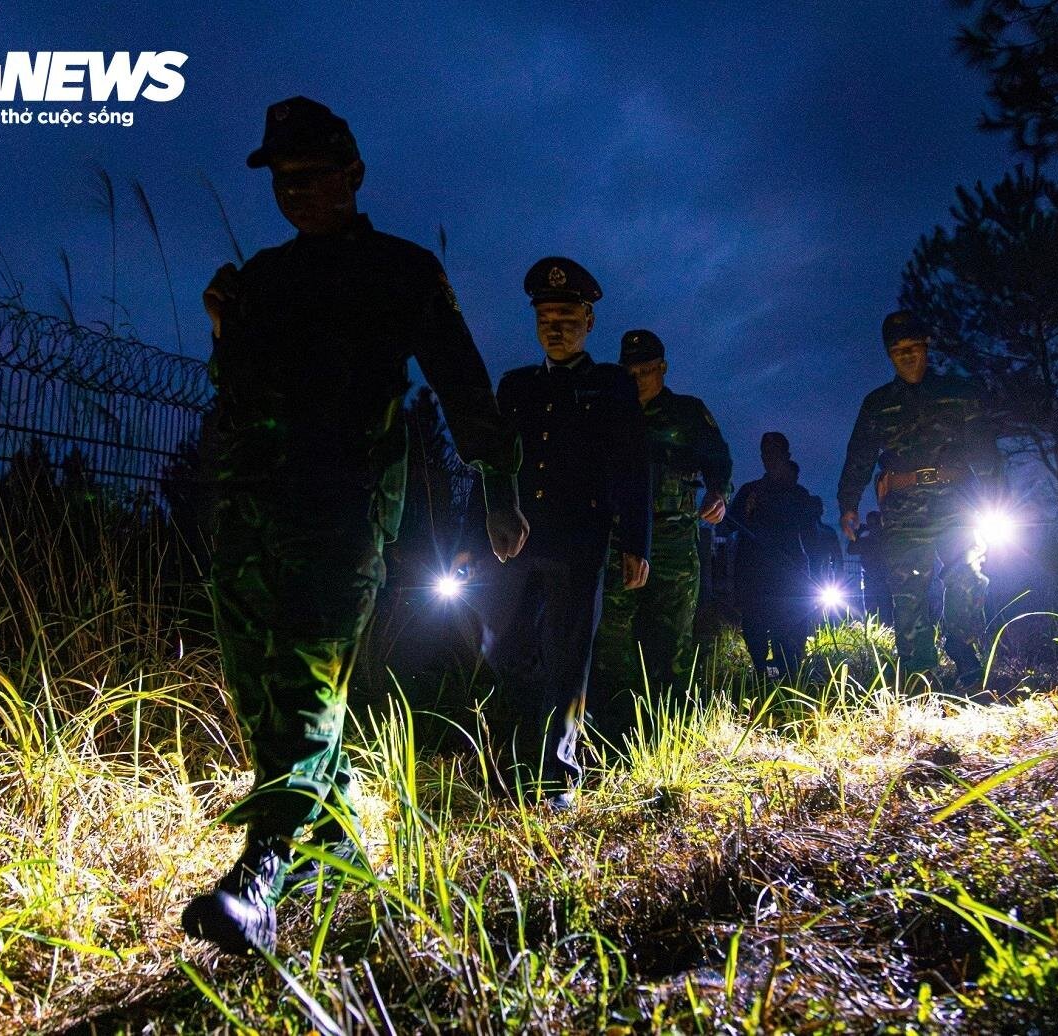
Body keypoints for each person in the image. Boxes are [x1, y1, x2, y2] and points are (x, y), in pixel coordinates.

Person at [182, 96, 527, 956]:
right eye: (281, 180)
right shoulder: (259, 277)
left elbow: (459, 377)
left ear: (353, 174)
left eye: (311, 175)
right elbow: (240, 392)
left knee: (304, 680)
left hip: (342, 505)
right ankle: (332, 855)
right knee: (260, 684)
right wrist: (226, 331)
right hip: (252, 503)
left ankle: (260, 872)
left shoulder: (400, 270)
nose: (296, 192)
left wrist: (499, 483)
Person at [477, 258, 651, 808]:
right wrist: (471, 533)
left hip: (580, 540)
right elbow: (494, 466)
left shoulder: (611, 385)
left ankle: (557, 775)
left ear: (589, 321)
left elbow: (632, 464)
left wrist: (635, 543)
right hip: (516, 542)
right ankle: (519, 748)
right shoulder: (517, 386)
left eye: (567, 316)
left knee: (568, 654)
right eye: (546, 317)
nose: (555, 327)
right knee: (502, 646)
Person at [836, 310, 1001, 688]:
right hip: (903, 511)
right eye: (897, 351)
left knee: (969, 578)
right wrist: (848, 504)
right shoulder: (877, 403)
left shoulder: (958, 393)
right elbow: (859, 456)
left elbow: (984, 450)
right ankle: (919, 677)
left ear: (925, 346)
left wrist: (997, 496)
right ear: (889, 356)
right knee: (909, 595)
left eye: (913, 347)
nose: (906, 356)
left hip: (958, 504)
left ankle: (961, 646)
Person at [590, 329, 731, 743]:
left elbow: (719, 461)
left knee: (671, 643)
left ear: (662, 368)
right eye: (631, 371)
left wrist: (720, 494)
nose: (639, 378)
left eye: (647, 370)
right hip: (618, 545)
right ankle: (614, 736)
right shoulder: (608, 415)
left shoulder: (688, 413)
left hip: (673, 544)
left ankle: (669, 737)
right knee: (613, 642)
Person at [729, 433, 816, 679]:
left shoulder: (798, 494)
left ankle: (786, 680)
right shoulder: (751, 491)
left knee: (788, 634)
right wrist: (745, 511)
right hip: (755, 576)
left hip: (790, 577)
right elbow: (729, 525)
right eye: (766, 454)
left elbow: (811, 536)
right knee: (755, 631)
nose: (769, 459)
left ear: (786, 456)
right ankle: (763, 676)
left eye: (775, 453)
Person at [850, 510, 894, 619]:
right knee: (872, 610)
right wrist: (858, 533)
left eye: (875, 524)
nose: (873, 527)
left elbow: (851, 549)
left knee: (885, 610)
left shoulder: (884, 540)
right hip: (872, 579)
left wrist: (858, 533)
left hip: (884, 579)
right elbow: (851, 549)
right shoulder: (868, 541)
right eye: (871, 524)